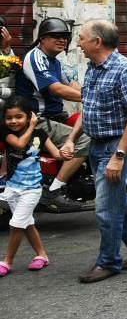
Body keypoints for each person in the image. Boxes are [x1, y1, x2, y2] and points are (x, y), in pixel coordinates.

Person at [69, 20, 127, 283]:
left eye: (82, 38)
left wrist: (118, 156)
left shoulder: (125, 70)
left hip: (115, 145)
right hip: (97, 144)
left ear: (97, 42)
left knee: (106, 209)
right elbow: (88, 109)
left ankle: (108, 262)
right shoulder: (93, 69)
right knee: (118, 199)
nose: (78, 43)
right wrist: (72, 139)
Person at [15, 18, 90, 210]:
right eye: (56, 36)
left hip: (55, 117)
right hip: (36, 120)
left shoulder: (54, 62)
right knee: (86, 140)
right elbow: (56, 88)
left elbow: (70, 84)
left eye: (64, 36)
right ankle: (55, 190)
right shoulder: (36, 57)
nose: (62, 40)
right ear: (42, 39)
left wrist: (96, 92)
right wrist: (91, 97)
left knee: (90, 124)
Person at [0, 96, 63, 277]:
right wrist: (32, 126)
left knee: (17, 224)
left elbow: (56, 154)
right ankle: (42, 256)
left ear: (28, 116)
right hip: (12, 188)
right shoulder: (7, 134)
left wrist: (67, 151)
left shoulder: (41, 135)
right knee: (26, 223)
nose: (13, 121)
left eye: (19, 117)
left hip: (32, 189)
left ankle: (7, 261)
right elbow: (20, 144)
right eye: (9, 117)